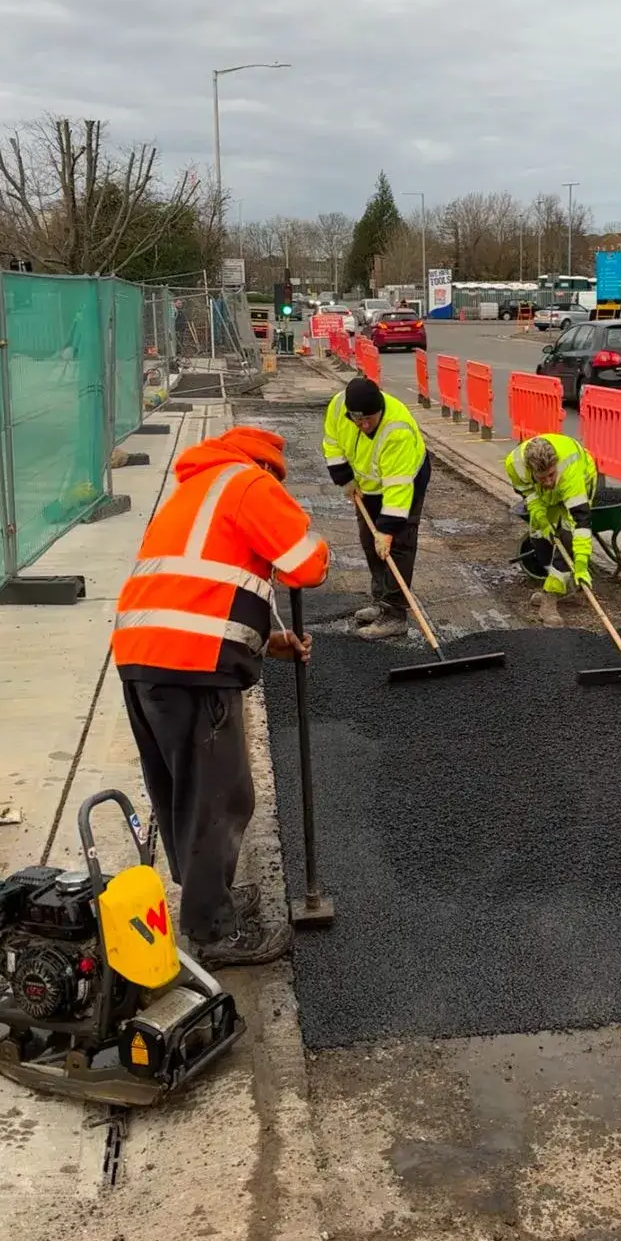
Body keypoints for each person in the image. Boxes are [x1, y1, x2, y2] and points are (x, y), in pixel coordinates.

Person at [112, 425, 329, 969]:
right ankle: (212, 930)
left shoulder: (192, 490)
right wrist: (300, 526)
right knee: (221, 798)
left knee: (181, 792)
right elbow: (309, 564)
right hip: (191, 667)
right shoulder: (249, 484)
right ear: (270, 467)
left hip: (143, 657)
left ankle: (211, 898)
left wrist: (263, 642)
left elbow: (199, 585)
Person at [322, 376, 431, 640]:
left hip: (405, 482)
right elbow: (332, 442)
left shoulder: (397, 430)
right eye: (358, 419)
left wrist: (388, 529)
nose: (364, 425)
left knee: (397, 546)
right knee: (370, 542)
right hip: (366, 482)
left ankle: (395, 614)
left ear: (380, 409)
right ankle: (380, 600)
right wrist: (344, 477)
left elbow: (398, 488)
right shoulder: (339, 407)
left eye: (369, 419)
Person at [505, 433, 596, 597]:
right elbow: (529, 493)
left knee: (569, 534)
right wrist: (541, 518)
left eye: (551, 475)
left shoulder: (570, 472)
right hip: (543, 493)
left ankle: (556, 589)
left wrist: (581, 562)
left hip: (581, 479)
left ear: (556, 465)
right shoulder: (515, 466)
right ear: (530, 470)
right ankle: (555, 573)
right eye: (542, 477)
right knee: (538, 533)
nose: (548, 481)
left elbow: (580, 522)